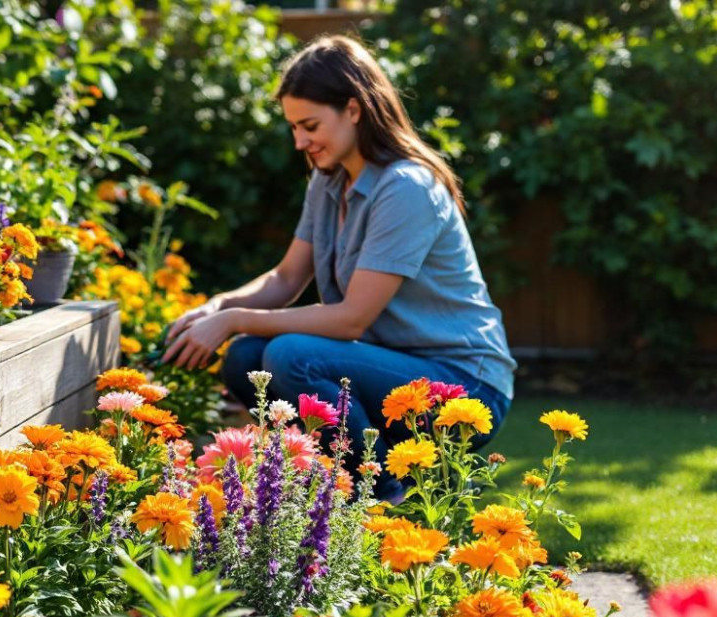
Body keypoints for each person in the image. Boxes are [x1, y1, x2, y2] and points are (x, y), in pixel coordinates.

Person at [161, 34, 516, 502]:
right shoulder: (328, 182)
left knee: (290, 358)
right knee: (246, 357)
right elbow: (287, 278)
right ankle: (342, 488)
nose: (299, 141)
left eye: (309, 125)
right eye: (293, 128)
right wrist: (218, 308)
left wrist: (230, 320)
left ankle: (381, 499)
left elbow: (352, 318)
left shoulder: (405, 187)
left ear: (354, 109)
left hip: (464, 385)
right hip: (390, 372)